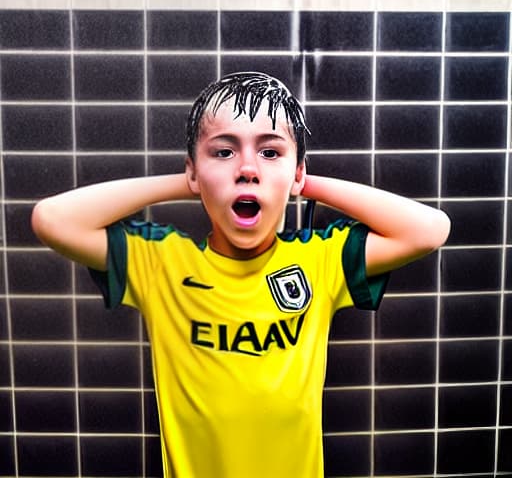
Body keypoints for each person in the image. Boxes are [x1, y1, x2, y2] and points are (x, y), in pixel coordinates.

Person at [31, 72, 450, 478]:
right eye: (223, 152)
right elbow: (53, 219)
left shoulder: (321, 260)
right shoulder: (161, 263)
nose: (248, 169)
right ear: (193, 170)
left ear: (296, 171)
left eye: (270, 152)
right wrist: (187, 182)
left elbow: (429, 229)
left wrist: (300, 183)